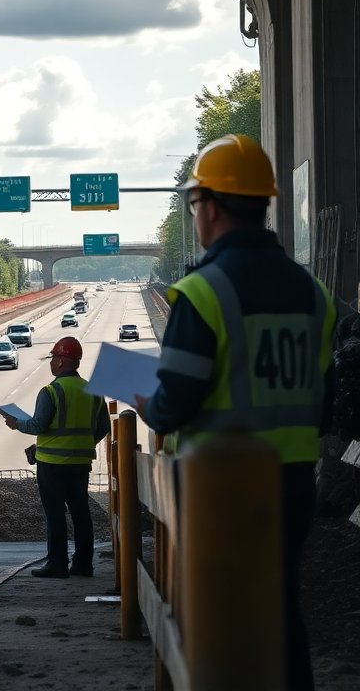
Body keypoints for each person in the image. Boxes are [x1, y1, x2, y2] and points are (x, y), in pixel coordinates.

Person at [135, 134, 335, 691]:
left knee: (216, 621)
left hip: (217, 487)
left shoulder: (202, 293)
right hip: (295, 480)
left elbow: (174, 405)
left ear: (212, 207)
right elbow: (324, 403)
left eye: (195, 204)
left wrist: (148, 405)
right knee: (280, 608)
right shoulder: (313, 293)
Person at [1, 336, 109, 578]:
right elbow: (103, 427)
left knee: (55, 513)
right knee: (81, 512)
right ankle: (83, 564)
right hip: (81, 463)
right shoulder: (94, 392)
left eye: (53, 358)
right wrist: (82, 443)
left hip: (51, 463)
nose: (51, 362)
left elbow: (38, 425)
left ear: (61, 362)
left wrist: (16, 423)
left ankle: (57, 564)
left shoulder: (51, 391)